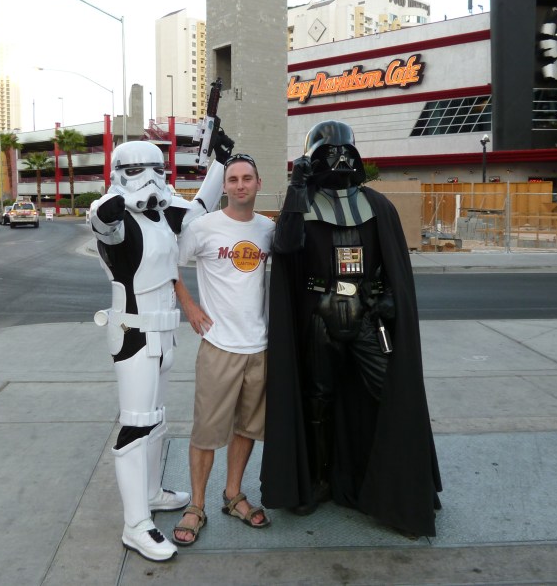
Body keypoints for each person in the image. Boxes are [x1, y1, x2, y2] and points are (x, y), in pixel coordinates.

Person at [259, 120, 442, 538]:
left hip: (367, 317)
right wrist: (296, 189)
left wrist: (389, 297)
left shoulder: (378, 206)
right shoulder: (304, 206)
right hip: (320, 316)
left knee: (389, 393)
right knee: (317, 402)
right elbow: (285, 246)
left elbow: (393, 264)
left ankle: (393, 487)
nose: (337, 159)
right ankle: (319, 480)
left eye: (343, 152)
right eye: (328, 153)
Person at [90, 135, 232, 562]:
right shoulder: (116, 217)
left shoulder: (163, 216)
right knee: (136, 424)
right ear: (120, 174)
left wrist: (220, 164)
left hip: (164, 334)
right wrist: (116, 203)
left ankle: (151, 493)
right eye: (138, 171)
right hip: (133, 334)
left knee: (155, 419)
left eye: (157, 170)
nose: (150, 179)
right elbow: (102, 220)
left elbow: (199, 211)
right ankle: (135, 524)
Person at [171, 153, 275, 546]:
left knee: (247, 428)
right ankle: (196, 505)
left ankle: (233, 495)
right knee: (206, 432)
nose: (240, 185)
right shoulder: (203, 228)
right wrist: (189, 306)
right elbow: (168, 264)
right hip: (219, 345)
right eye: (233, 179)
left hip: (259, 346)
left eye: (247, 178)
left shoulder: (268, 229)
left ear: (258, 183)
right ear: (225, 186)